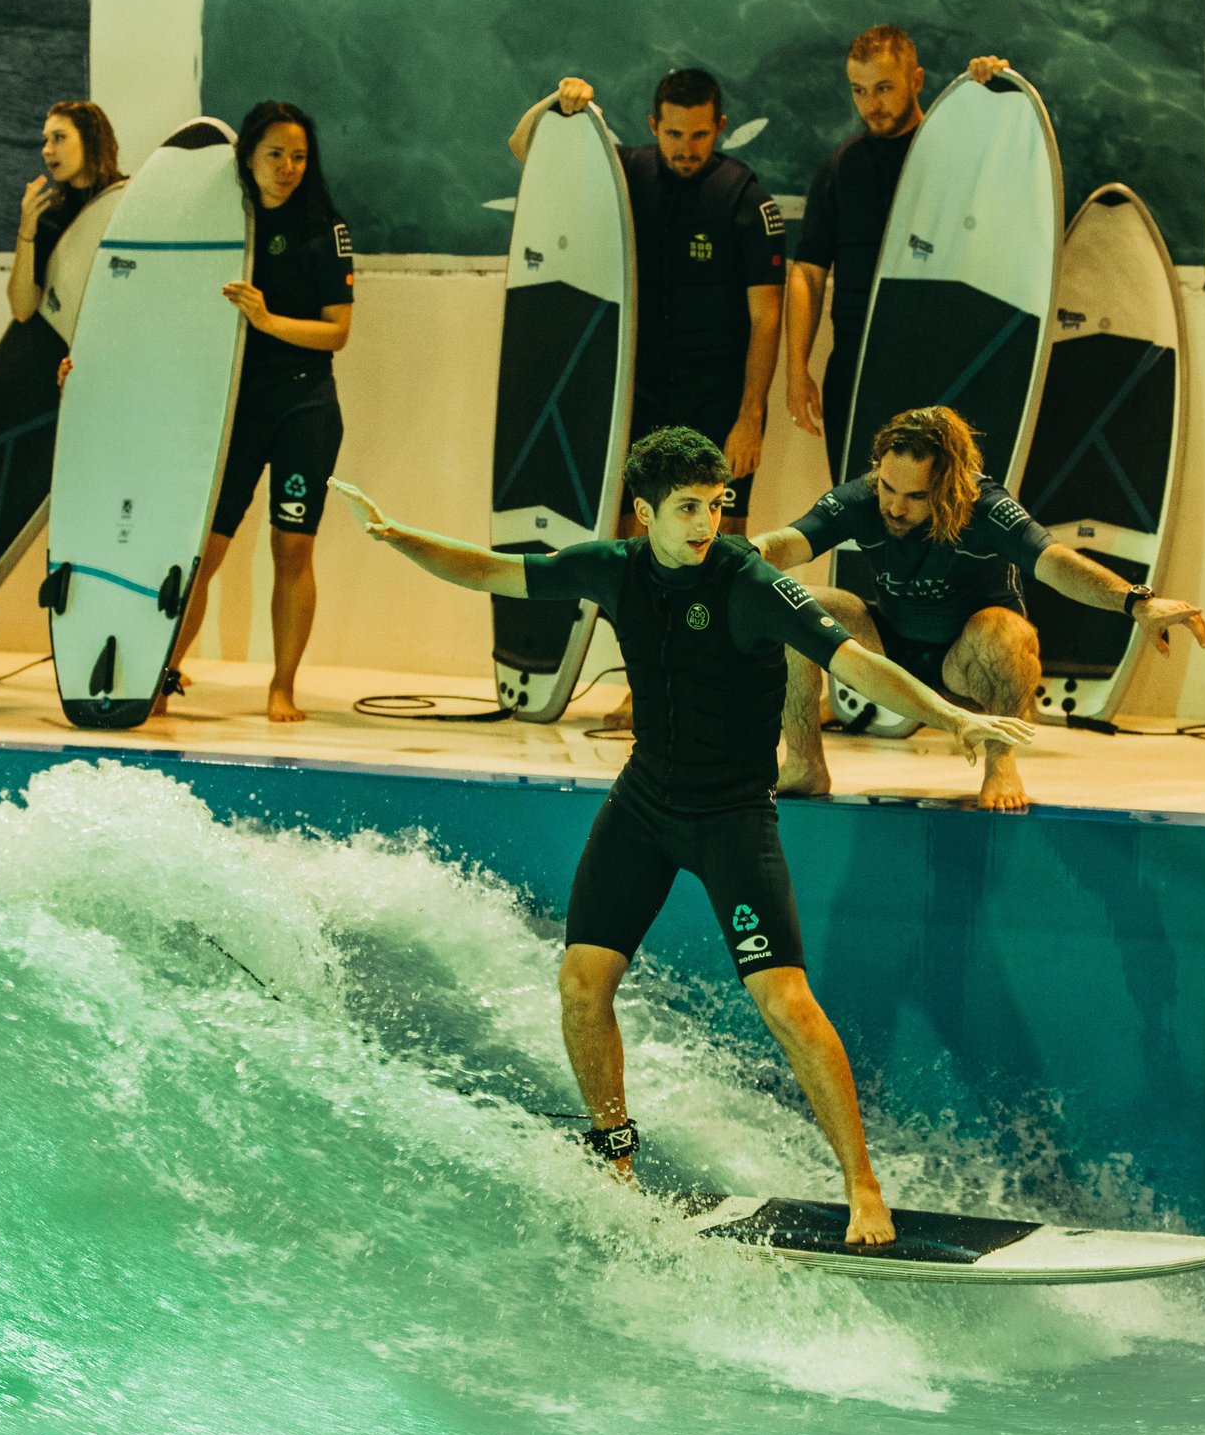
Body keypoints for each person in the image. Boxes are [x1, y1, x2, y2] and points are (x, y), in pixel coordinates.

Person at [332, 428, 1033, 1246]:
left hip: (732, 817)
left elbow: (850, 661)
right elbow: (490, 569)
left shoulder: (750, 582)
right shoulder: (613, 567)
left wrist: (949, 713)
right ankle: (614, 1154)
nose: (707, 523)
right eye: (689, 508)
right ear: (645, 513)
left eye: (716, 505)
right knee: (581, 983)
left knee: (788, 1004)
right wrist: (395, 536)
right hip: (643, 806)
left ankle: (863, 1186)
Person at [753, 406, 1205, 812]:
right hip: (892, 655)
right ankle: (805, 762)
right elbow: (785, 544)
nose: (893, 505)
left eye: (915, 497)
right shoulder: (863, 498)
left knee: (1006, 630)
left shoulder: (986, 509)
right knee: (796, 604)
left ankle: (1000, 763)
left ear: (950, 485)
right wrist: (716, 556)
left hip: (968, 667)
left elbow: (1058, 564)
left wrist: (1136, 601)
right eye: (888, 487)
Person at [507, 67, 784, 533]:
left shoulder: (745, 201)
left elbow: (767, 319)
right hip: (642, 393)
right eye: (673, 133)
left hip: (718, 398)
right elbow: (524, 147)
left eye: (699, 135)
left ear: (721, 126)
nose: (686, 149)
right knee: (631, 536)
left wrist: (750, 417)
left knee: (718, 541)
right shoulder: (624, 175)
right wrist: (557, 101)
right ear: (653, 125)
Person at [156, 101, 355, 723]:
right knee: (205, 552)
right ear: (248, 156)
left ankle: (283, 686)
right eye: (275, 154)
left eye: (299, 156)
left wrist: (268, 320)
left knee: (290, 550)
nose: (289, 167)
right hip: (237, 408)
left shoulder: (324, 226)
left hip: (304, 406)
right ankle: (161, 672)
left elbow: (337, 333)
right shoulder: (224, 221)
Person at [786, 27, 1013, 487]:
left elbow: (1015, 184)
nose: (871, 104)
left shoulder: (956, 155)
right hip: (856, 367)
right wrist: (797, 370)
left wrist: (1001, 94)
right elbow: (808, 273)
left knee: (946, 512)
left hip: (942, 363)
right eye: (859, 90)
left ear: (916, 80)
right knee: (862, 513)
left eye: (884, 88)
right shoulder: (840, 166)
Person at [10, 100, 122, 326]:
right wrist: (26, 233)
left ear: (90, 142)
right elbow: (22, 310)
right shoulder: (50, 219)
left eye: (59, 137)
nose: (47, 150)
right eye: (46, 140)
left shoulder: (127, 203)